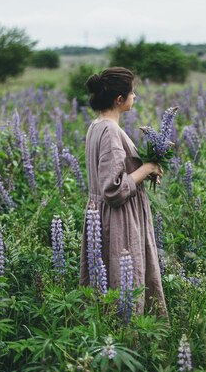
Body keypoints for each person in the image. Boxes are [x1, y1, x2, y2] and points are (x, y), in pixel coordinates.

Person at [79, 66, 167, 317]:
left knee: (108, 280)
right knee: (125, 281)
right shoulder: (110, 131)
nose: (135, 96)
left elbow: (114, 172)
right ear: (119, 99)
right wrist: (148, 166)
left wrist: (142, 172)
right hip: (118, 220)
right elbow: (113, 189)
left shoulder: (96, 126)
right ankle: (127, 337)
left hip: (102, 217)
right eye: (132, 93)